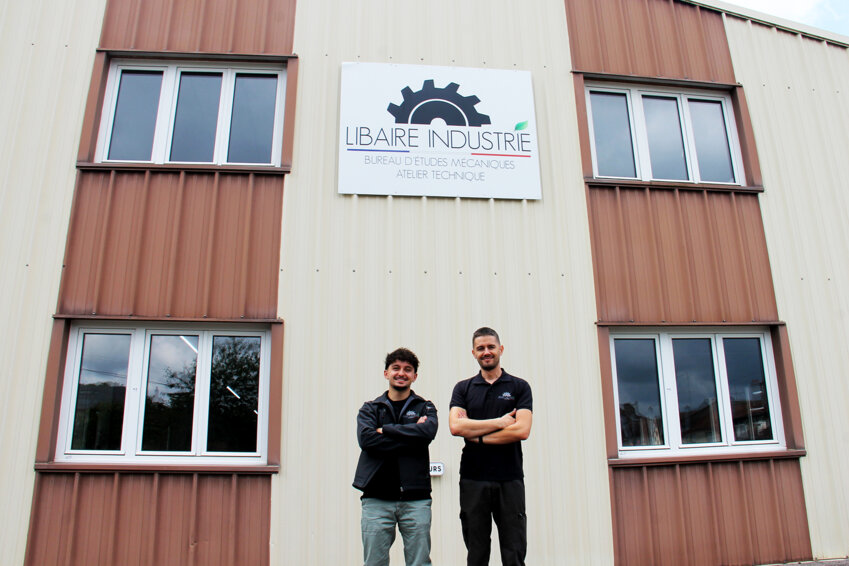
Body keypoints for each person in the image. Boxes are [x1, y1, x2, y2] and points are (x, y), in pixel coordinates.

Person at [449, 327, 533, 566]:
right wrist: (499, 423)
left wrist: (479, 436)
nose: (486, 352)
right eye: (481, 348)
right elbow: (456, 427)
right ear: (473, 353)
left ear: (501, 349)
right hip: (473, 480)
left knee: (513, 553)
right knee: (477, 554)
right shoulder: (463, 389)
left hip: (510, 479)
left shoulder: (519, 387)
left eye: (491, 347)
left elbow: (521, 430)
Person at [353, 347, 438, 566]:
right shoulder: (370, 409)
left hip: (416, 500)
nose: (401, 373)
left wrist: (386, 430)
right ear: (386, 373)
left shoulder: (425, 407)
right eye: (396, 368)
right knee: (374, 563)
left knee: (419, 563)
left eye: (407, 370)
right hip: (376, 499)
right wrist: (411, 433)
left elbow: (427, 433)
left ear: (415, 376)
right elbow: (368, 441)